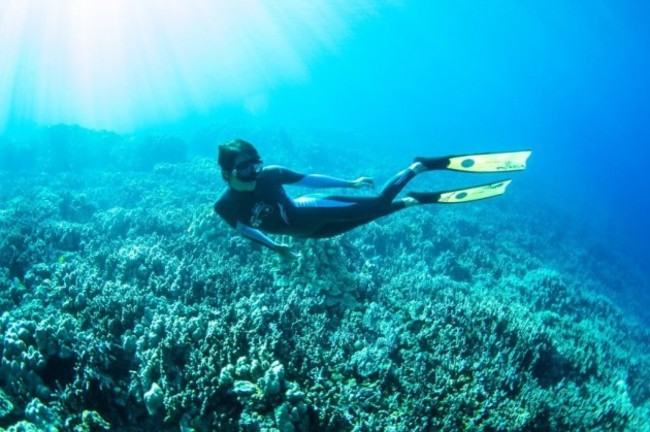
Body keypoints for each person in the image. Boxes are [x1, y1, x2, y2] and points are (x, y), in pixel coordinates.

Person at [214, 139, 530, 260]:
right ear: (227, 173)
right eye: (246, 169)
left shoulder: (271, 174)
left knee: (378, 204)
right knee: (377, 215)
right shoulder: (225, 207)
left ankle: (419, 166)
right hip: (311, 232)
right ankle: (414, 200)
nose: (255, 172)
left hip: (311, 210)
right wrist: (276, 247)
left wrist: (350, 183)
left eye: (257, 164)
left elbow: (310, 179)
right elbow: (244, 227)